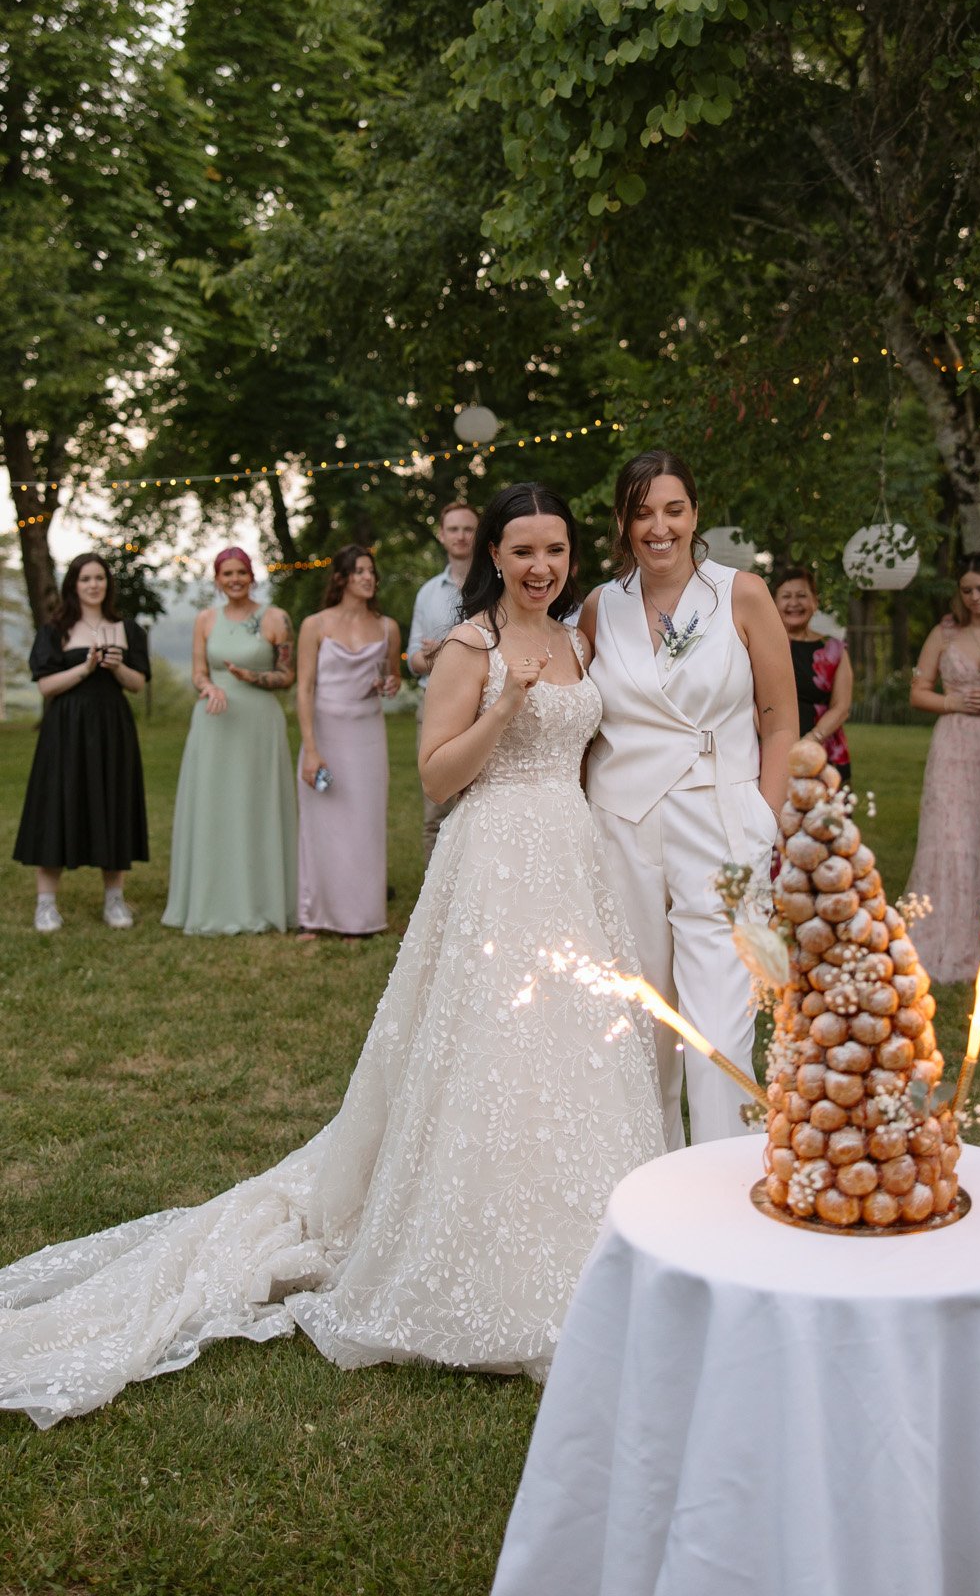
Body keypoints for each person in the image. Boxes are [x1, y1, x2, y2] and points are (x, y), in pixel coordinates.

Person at [0, 482, 664, 1426]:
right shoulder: (472, 646)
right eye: (522, 551)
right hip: (491, 859)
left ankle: (587, 1234)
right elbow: (437, 776)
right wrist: (503, 708)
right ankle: (469, 1241)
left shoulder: (579, 639)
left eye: (555, 550)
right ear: (494, 559)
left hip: (570, 854)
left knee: (577, 1049)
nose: (540, 567)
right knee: (486, 1048)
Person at [581, 450, 799, 1148]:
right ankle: (647, 1183)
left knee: (721, 1017)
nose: (658, 526)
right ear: (621, 521)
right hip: (623, 823)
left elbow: (780, 718)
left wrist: (764, 815)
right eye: (641, 512)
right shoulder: (599, 607)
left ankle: (722, 1180)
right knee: (640, 1015)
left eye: (672, 509)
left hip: (722, 820)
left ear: (694, 515)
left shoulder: (741, 593)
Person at [163, 547, 298, 937]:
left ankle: (260, 900)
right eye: (227, 574)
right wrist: (208, 688)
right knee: (214, 805)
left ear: (251, 575)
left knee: (255, 805)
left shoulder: (276, 618)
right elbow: (198, 672)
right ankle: (210, 901)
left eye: (241, 572)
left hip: (259, 723)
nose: (235, 579)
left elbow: (286, 675)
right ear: (217, 579)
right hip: (214, 722)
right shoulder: (206, 619)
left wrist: (250, 678)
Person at [13, 554, 150, 932]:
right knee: (59, 802)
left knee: (113, 800)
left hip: (112, 727)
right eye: (86, 578)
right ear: (73, 584)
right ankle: (46, 904)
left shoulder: (127, 629)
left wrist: (116, 667)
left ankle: (115, 899)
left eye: (100, 578)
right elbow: (46, 686)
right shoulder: (56, 630)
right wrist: (85, 668)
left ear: (108, 584)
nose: (93, 585)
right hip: (67, 728)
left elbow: (138, 684)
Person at [906, 553, 980, 982]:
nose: (974, 598)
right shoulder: (945, 631)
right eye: (967, 590)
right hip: (953, 742)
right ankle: (944, 939)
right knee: (950, 835)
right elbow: (919, 692)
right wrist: (953, 701)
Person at [295, 546, 401, 938]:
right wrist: (311, 749)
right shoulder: (315, 625)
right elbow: (304, 689)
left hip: (368, 735)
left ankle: (362, 918)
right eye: (359, 571)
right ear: (341, 578)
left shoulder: (388, 627)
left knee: (365, 823)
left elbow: (393, 678)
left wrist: (390, 684)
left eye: (371, 571)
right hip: (325, 732)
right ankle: (315, 915)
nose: (368, 578)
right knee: (322, 824)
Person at [406, 500, 478, 863]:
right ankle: (434, 905)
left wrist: (447, 649)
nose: (461, 536)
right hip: (434, 703)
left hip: (482, 706)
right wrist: (439, 656)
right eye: (454, 529)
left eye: (468, 528)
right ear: (442, 535)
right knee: (436, 809)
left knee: (478, 804)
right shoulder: (428, 593)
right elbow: (414, 660)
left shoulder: (494, 585)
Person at [773, 565, 854, 786]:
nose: (794, 603)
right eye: (786, 596)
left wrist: (812, 740)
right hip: (773, 749)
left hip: (823, 747)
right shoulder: (762, 646)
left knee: (824, 819)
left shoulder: (834, 649)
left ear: (815, 602)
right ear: (774, 604)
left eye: (802, 596)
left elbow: (842, 706)